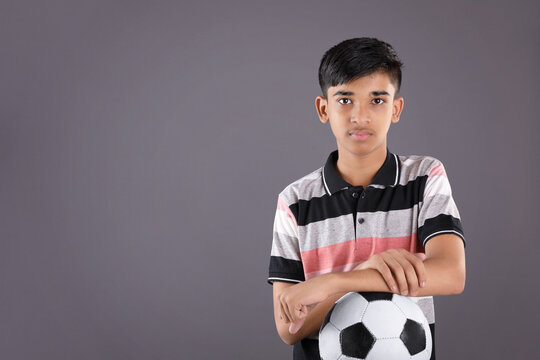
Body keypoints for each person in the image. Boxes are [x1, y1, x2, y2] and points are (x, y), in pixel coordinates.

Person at [267, 37, 466, 360]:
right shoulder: (295, 201)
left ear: (396, 108)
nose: (360, 116)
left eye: (377, 100)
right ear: (323, 109)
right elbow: (288, 327)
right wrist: (361, 276)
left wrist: (331, 282)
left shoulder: (424, 177)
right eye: (345, 100)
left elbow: (451, 274)